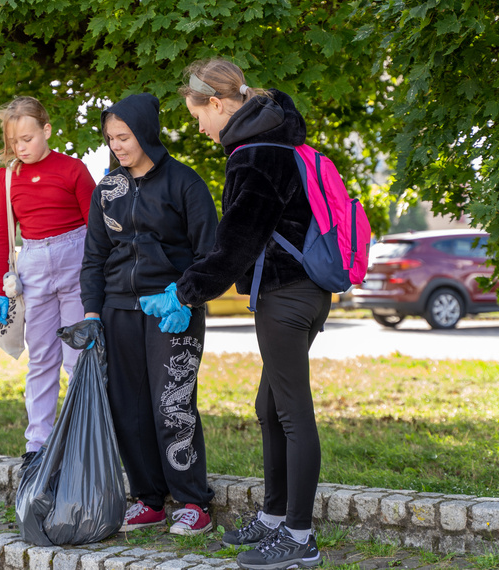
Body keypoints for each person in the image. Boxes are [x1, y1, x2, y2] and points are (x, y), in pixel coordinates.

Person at [144, 59, 330, 569]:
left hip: (287, 296)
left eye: (198, 115)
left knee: (292, 413)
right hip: (299, 293)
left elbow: (235, 247)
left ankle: (299, 537)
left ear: (220, 104)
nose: (199, 127)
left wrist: (184, 293)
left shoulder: (256, 155)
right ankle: (273, 519)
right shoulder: (275, 140)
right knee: (269, 409)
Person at [79, 93, 218, 536]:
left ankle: (194, 502)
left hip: (172, 310)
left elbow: (211, 253)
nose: (117, 145)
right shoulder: (108, 190)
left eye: (124, 136)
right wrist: (92, 314)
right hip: (119, 309)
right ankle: (149, 499)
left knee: (171, 406)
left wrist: (187, 298)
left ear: (145, 133)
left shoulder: (185, 184)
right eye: (110, 138)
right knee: (128, 408)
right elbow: (94, 257)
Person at [0, 96, 97, 471]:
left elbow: (97, 230)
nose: (21, 148)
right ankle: (38, 443)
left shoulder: (74, 170)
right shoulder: (8, 178)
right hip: (33, 266)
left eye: (28, 139)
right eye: (14, 142)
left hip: (75, 262)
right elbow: (3, 236)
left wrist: (99, 279)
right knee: (42, 359)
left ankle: (84, 438)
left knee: (77, 357)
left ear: (47, 130)